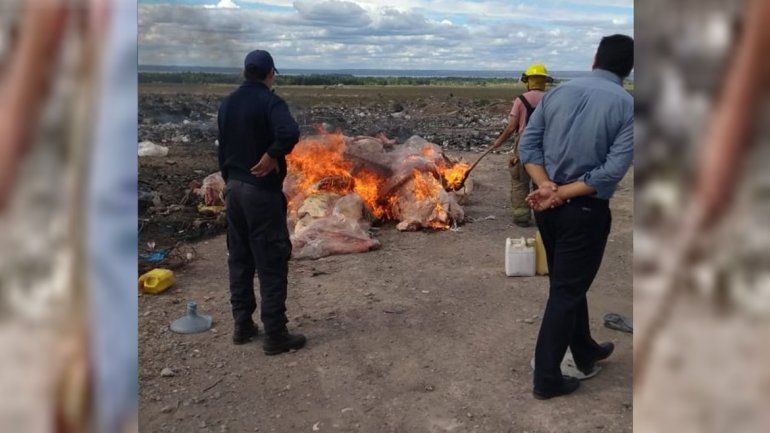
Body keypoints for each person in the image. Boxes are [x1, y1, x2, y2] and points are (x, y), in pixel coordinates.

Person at [519, 34, 634, 399]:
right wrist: (561, 192)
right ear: (629, 68)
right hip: (584, 211)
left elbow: (528, 144)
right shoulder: (628, 105)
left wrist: (545, 186)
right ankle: (547, 377)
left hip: (548, 210)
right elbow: (612, 169)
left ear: (595, 59)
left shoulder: (557, 94)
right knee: (567, 290)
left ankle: (584, 349)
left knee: (568, 283)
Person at [217, 49, 306, 355]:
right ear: (270, 74)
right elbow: (290, 132)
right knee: (271, 260)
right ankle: (276, 334)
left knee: (239, 259)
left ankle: (242, 325)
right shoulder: (270, 101)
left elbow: (223, 148)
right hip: (260, 194)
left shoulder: (227, 103)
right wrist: (272, 155)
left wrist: (230, 179)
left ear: (245, 72)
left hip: (234, 190)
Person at [491, 63, 552, 227]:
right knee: (542, 180)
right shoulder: (551, 99)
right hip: (547, 144)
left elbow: (512, 127)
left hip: (524, 144)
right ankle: (544, 216)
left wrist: (498, 141)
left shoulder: (521, 100)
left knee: (519, 180)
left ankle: (522, 217)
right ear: (544, 81)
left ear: (528, 81)